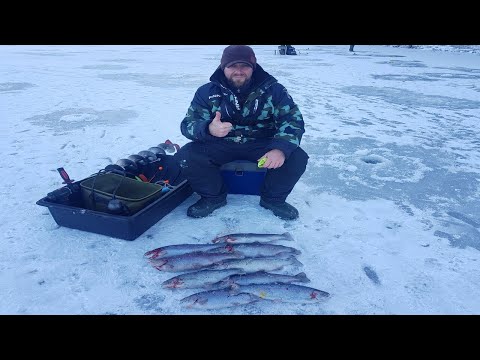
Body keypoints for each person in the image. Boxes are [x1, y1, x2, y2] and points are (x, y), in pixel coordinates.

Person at [176, 45, 308, 220]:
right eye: (232, 66)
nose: (239, 71)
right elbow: (188, 124)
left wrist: (280, 149)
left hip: (261, 143)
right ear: (223, 68)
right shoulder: (206, 92)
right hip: (221, 143)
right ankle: (212, 198)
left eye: (244, 66)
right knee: (187, 155)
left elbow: (292, 120)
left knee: (296, 157)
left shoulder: (274, 90)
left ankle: (273, 200)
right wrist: (208, 128)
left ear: (253, 67)